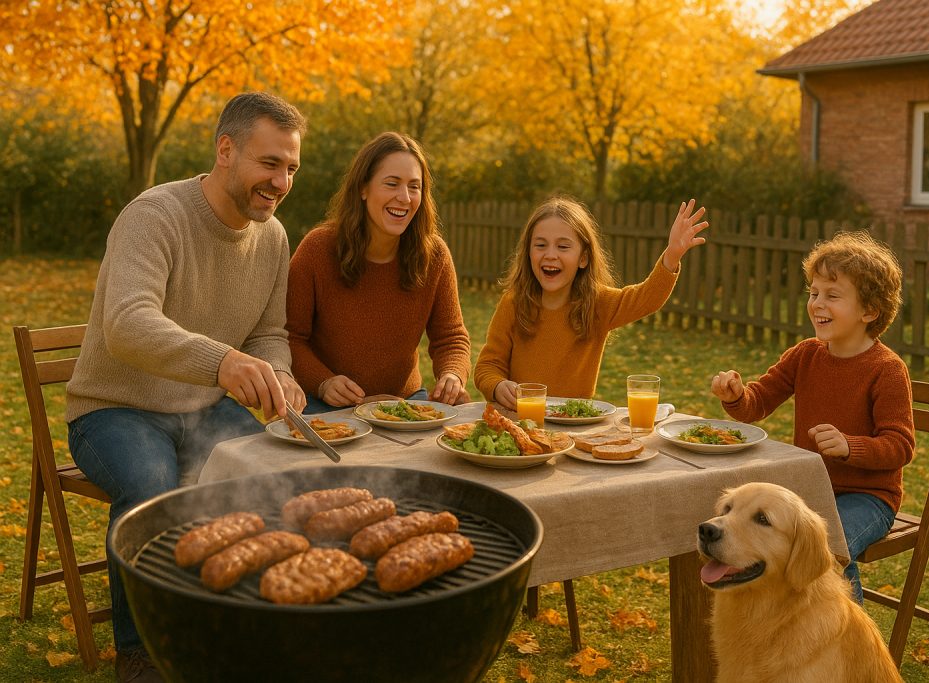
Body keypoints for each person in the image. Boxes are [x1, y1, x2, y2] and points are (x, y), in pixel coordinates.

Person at [66, 92, 307, 683]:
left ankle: (238, 620)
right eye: (269, 163)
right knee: (152, 488)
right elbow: (127, 325)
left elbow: (270, 331)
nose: (281, 181)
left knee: (275, 472)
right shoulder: (155, 215)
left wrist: (279, 372)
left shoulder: (272, 237)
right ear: (225, 150)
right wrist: (222, 362)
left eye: (291, 168)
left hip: (199, 409)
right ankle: (141, 651)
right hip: (114, 410)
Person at [709, 230, 915, 604]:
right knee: (781, 543)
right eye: (814, 292)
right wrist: (737, 396)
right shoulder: (805, 355)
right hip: (808, 491)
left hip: (869, 498)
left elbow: (900, 446)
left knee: (828, 547)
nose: (818, 303)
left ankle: (846, 645)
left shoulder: (887, 369)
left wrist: (850, 447)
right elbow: (758, 402)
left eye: (833, 295)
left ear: (869, 311)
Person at [286, 132, 471, 411]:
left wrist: (452, 375)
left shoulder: (434, 256)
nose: (404, 197)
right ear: (363, 188)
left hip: (405, 403)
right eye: (392, 184)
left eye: (414, 186)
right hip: (327, 404)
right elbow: (290, 338)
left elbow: (451, 338)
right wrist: (323, 382)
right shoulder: (317, 249)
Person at [473, 196, 709, 408]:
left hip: (574, 426)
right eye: (540, 245)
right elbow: (487, 366)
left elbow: (647, 298)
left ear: (583, 258)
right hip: (520, 423)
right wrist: (496, 386)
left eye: (563, 246)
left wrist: (672, 255)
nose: (550, 254)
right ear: (528, 252)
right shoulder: (513, 303)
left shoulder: (598, 303)